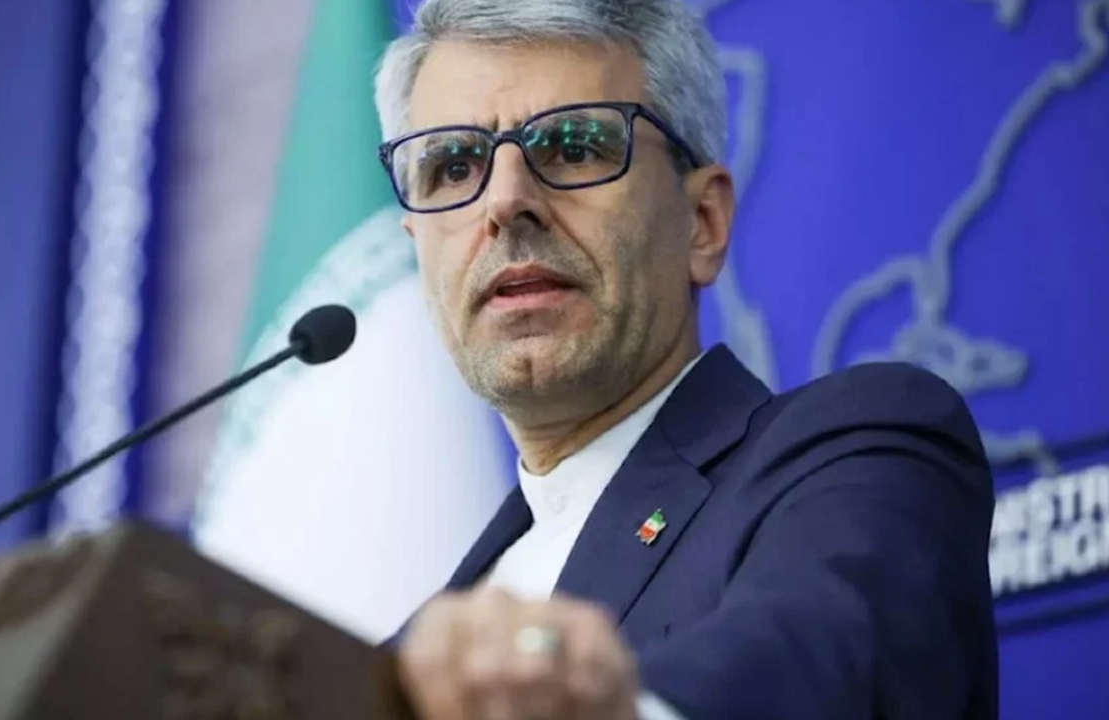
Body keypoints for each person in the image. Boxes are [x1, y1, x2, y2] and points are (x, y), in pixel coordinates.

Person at [371, 1, 999, 718]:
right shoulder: (396, 671)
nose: (506, 201)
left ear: (703, 223)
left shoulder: (866, 451)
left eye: (574, 147)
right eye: (453, 166)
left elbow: (817, 653)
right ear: (417, 248)